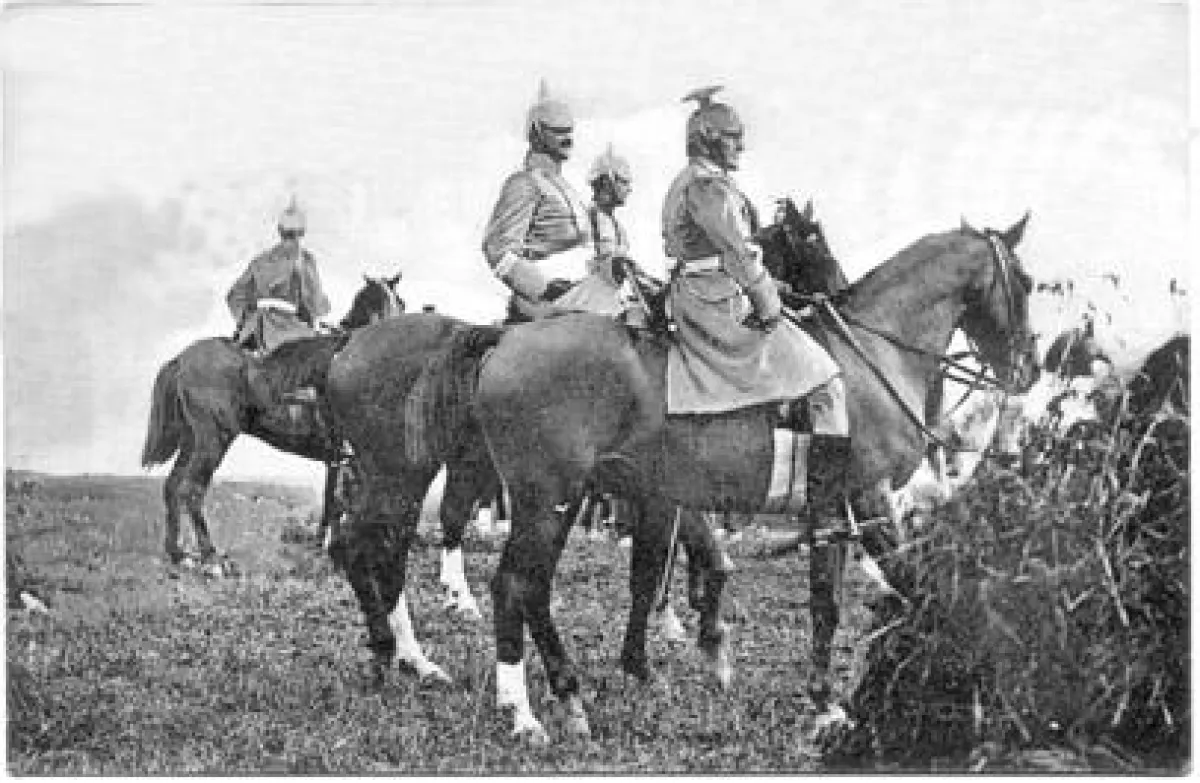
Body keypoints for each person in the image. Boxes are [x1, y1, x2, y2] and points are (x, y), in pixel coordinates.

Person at [660, 86, 852, 538]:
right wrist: (769, 304)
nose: (740, 145)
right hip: (715, 304)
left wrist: (776, 287)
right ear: (708, 139)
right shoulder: (707, 186)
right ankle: (824, 512)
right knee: (827, 384)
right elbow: (738, 253)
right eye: (732, 136)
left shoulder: (694, 181)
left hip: (707, 290)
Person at [482, 81, 592, 323]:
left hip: (583, 293)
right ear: (537, 134)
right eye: (557, 131)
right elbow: (498, 249)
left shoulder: (567, 189)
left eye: (569, 131)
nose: (568, 139)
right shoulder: (523, 183)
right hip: (542, 305)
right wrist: (543, 291)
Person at [227, 196, 331, 354]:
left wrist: (246, 318)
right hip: (287, 329)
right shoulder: (304, 259)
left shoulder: (259, 260)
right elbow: (313, 299)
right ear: (302, 232)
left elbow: (234, 295)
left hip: (254, 329)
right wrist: (323, 307)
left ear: (279, 231)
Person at [554, 144, 641, 316]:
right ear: (608, 183)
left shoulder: (618, 228)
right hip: (586, 301)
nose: (629, 189)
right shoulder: (583, 220)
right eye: (624, 182)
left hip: (608, 298)